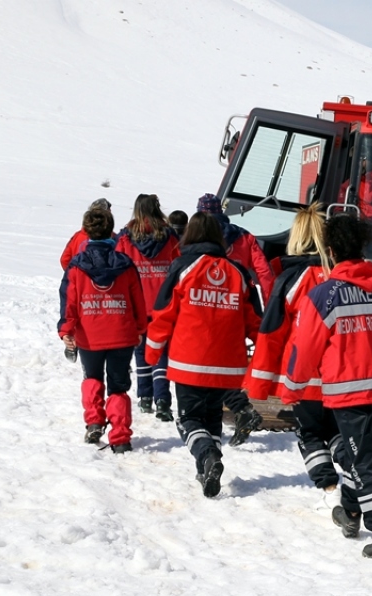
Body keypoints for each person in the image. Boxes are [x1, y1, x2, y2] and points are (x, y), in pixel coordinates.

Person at [281, 214, 372, 559]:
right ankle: (349, 512)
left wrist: (292, 389)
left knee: (362, 460)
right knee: (357, 454)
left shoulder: (324, 295)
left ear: (330, 251)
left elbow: (305, 349)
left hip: (348, 392)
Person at [145, 212, 262, 498]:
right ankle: (209, 464)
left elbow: (162, 314)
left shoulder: (182, 267)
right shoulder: (238, 272)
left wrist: (152, 351)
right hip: (229, 366)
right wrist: (267, 353)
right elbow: (256, 321)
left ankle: (207, 456)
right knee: (212, 420)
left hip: (189, 362)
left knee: (188, 421)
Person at [244, 203, 349, 491]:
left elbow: (273, 331)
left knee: (310, 432)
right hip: (345, 375)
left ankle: (328, 486)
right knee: (337, 430)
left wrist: (260, 379)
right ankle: (350, 465)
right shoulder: (344, 276)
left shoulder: (290, 278)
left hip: (305, 376)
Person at [58, 206, 146, 452]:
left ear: (86, 231)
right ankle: (120, 437)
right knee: (118, 385)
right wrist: (140, 328)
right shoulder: (126, 264)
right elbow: (138, 299)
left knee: (92, 377)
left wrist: (66, 329)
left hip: (90, 334)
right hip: (121, 333)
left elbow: (69, 300)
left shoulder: (77, 266)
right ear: (111, 231)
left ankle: (94, 421)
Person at [196, 193, 270, 444]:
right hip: (242, 303)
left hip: (208, 304)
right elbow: (263, 272)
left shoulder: (198, 235)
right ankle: (239, 409)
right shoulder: (245, 236)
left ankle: (240, 409)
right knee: (225, 363)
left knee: (208, 363)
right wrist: (269, 306)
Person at [116, 194, 180, 420]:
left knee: (141, 350)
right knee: (161, 351)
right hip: (164, 303)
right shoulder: (170, 236)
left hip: (137, 304)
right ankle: (162, 399)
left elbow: (118, 268)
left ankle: (144, 397)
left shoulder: (125, 237)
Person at [59, 198, 112, 270]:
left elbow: (65, 260)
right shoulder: (111, 238)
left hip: (78, 278)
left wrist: (74, 276)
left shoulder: (77, 236)